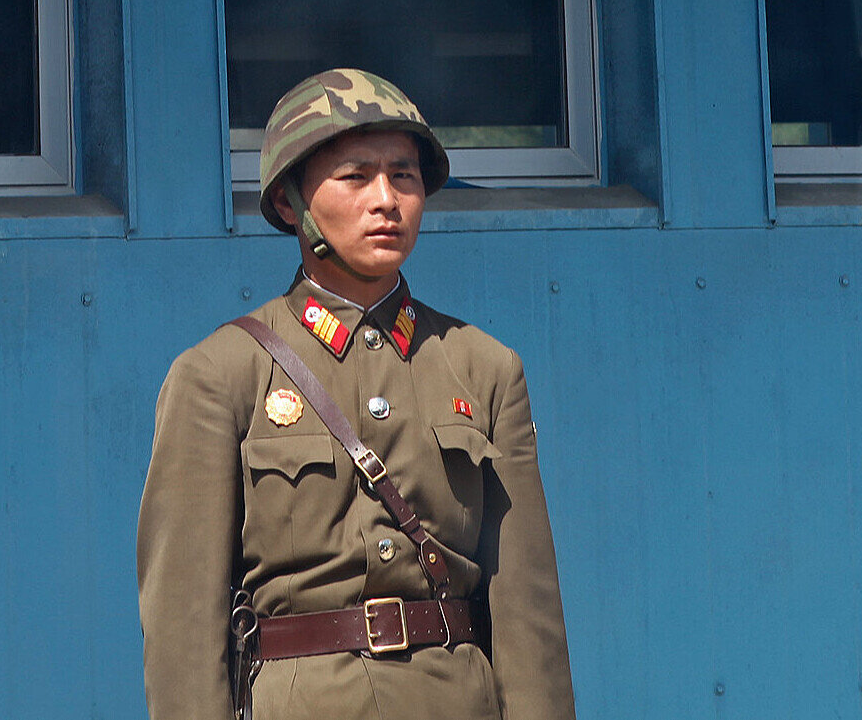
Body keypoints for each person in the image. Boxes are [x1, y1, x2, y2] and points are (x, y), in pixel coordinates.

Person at [137, 68, 575, 720]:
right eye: (355, 176)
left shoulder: (482, 367)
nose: (387, 199)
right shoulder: (222, 373)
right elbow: (183, 627)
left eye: (404, 175)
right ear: (290, 202)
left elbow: (528, 611)